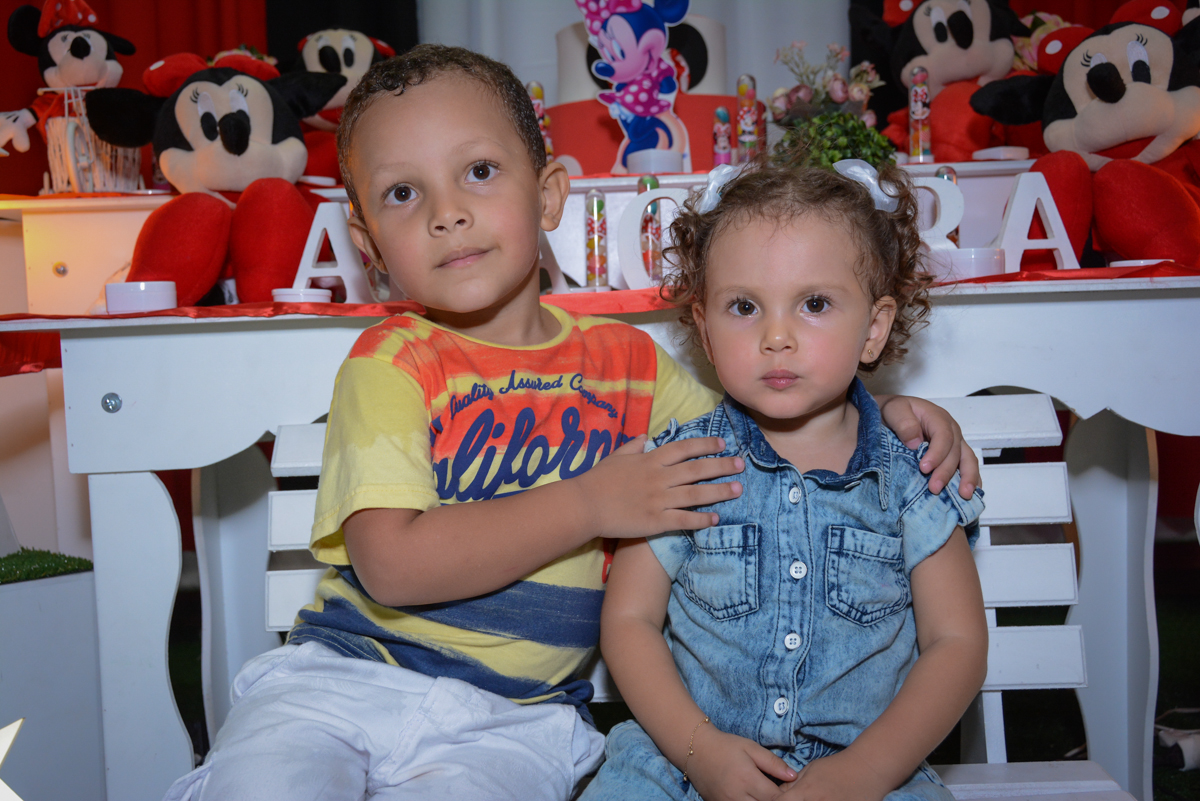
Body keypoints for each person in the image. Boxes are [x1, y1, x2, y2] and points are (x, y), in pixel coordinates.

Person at [164, 44, 981, 801]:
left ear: (549, 192)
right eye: (402, 193)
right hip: (345, 679)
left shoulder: (630, 366)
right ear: (366, 238)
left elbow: (772, 420)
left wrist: (887, 413)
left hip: (513, 722)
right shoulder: (393, 363)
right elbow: (392, 567)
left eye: (478, 170)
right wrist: (591, 502)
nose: (447, 214)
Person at [580, 156, 989, 801]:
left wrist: (867, 772)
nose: (776, 336)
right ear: (705, 330)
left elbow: (957, 642)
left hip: (869, 772)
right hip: (685, 761)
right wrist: (700, 751)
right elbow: (629, 622)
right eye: (744, 306)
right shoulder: (680, 468)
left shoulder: (910, 480)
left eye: (815, 304)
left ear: (873, 329)